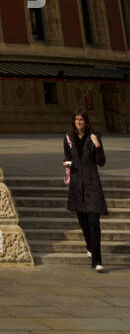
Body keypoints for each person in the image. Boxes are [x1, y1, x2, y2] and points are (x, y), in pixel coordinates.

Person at [63, 107, 108, 271]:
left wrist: (98, 147)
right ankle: (90, 246)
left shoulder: (94, 137)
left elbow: (101, 162)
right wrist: (66, 163)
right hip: (77, 185)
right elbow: (68, 158)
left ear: (86, 122)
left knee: (93, 222)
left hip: (92, 184)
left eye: (81, 119)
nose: (78, 122)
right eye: (76, 119)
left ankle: (97, 261)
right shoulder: (68, 138)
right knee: (83, 221)